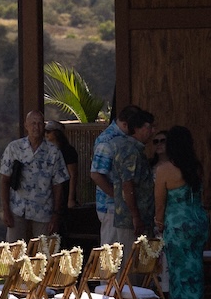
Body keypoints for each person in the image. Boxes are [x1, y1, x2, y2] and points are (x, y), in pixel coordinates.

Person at [153, 123, 207, 299]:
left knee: (178, 276)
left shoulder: (165, 169)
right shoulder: (196, 167)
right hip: (197, 223)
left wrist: (158, 222)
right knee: (194, 274)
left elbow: (160, 203)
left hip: (177, 226)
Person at [0, 111, 68, 240]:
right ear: (26, 125)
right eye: (33, 124)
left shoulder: (53, 152)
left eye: (39, 124)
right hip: (18, 208)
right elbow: (4, 180)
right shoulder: (14, 148)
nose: (36, 127)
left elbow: (58, 185)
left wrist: (56, 214)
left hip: (43, 211)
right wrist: (6, 210)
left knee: (44, 254)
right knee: (14, 253)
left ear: (44, 126)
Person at [106, 105, 156, 269]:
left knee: (141, 265)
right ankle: (129, 295)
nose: (152, 131)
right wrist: (135, 216)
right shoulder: (130, 151)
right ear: (137, 129)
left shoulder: (138, 150)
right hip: (131, 221)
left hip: (141, 217)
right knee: (131, 267)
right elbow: (128, 185)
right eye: (148, 127)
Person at [47, 123, 97, 252]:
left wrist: (70, 199)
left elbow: (73, 175)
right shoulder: (47, 151)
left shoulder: (67, 150)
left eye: (49, 131)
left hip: (64, 194)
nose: (45, 134)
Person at [90, 112, 126, 247]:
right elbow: (96, 174)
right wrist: (116, 195)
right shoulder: (107, 141)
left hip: (121, 209)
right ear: (125, 124)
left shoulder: (123, 138)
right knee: (110, 255)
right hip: (110, 207)